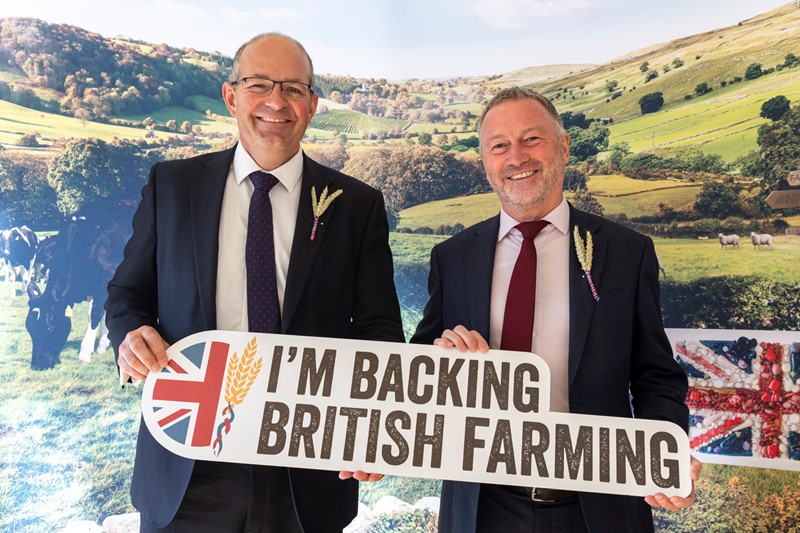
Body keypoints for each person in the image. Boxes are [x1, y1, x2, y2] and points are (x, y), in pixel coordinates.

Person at [106, 33, 404, 533]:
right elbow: (127, 294)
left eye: (292, 88)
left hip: (307, 469)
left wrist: (368, 427)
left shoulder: (356, 205)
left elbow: (378, 330)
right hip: (189, 465)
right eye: (259, 84)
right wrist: (129, 334)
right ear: (230, 96)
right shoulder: (171, 186)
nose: (275, 101)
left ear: (311, 105)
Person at [410, 87, 700, 533]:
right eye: (499, 146)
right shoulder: (452, 258)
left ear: (563, 146)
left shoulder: (626, 253)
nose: (516, 158)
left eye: (532, 139)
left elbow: (655, 375)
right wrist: (443, 363)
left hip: (597, 508)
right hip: (481, 506)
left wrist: (665, 448)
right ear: (486, 160)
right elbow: (419, 373)